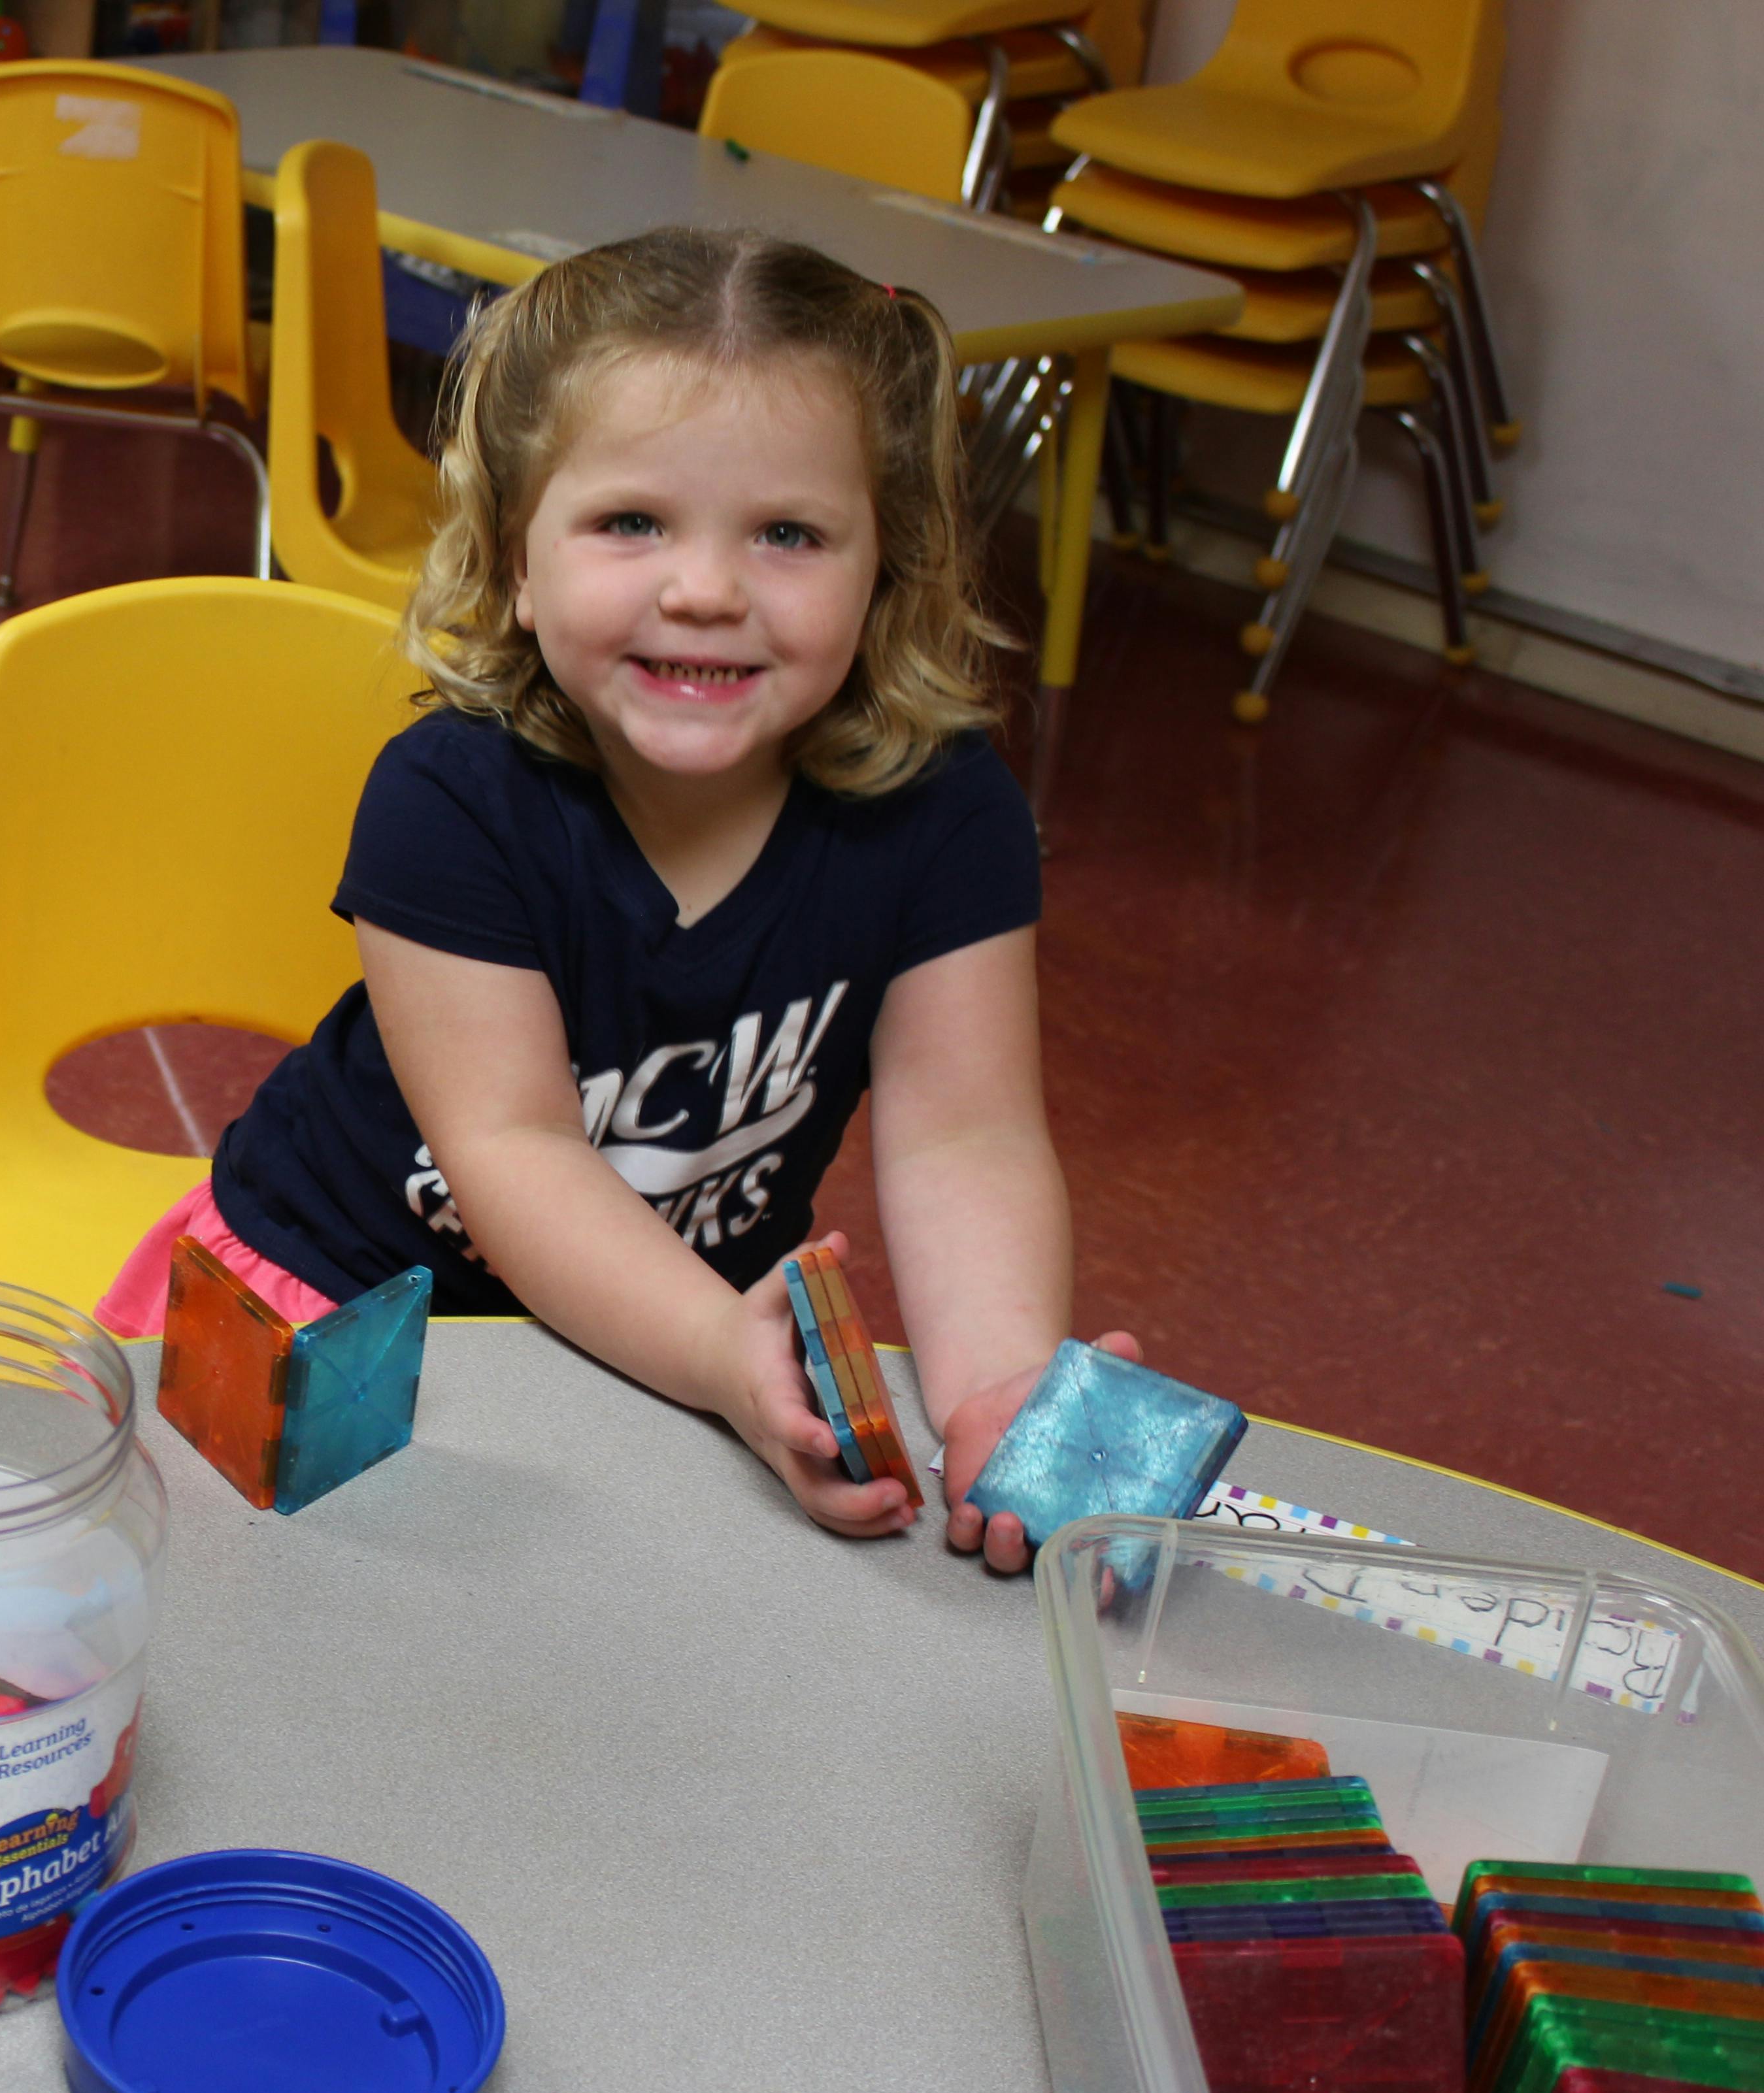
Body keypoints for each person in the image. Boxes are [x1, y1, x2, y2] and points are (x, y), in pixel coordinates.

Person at [99, 228, 1131, 1570]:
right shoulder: (449, 800)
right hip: (336, 1312)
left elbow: (965, 1139)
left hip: (662, 1348)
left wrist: (996, 1384)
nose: (705, 590)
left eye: (790, 534)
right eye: (631, 522)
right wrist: (723, 1352)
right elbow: (516, 1151)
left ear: (888, 568)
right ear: (517, 561)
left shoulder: (947, 814)